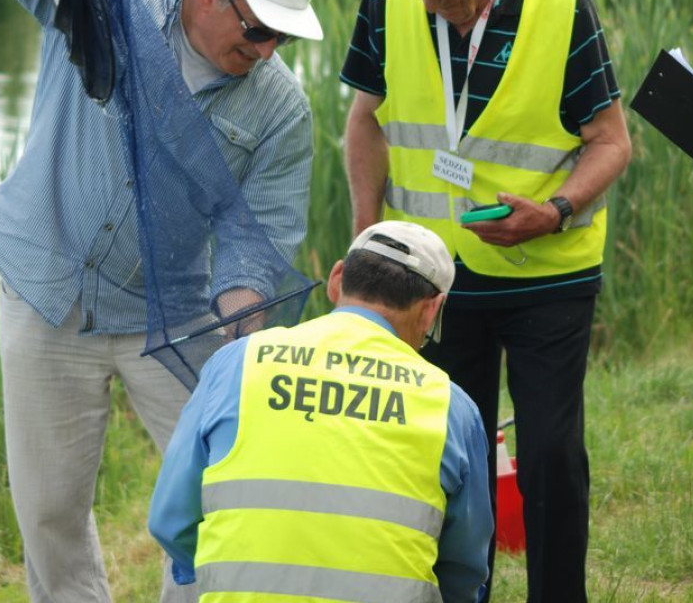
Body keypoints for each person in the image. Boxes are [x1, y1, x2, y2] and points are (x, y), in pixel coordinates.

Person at [0, 0, 323, 602]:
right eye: (256, 30)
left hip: (177, 317)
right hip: (45, 291)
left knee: (215, 494)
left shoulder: (283, 112)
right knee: (49, 508)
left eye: (282, 38)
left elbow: (257, 244)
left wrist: (241, 320)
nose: (265, 51)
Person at [340, 0, 632, 603]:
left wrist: (556, 210)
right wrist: (367, 241)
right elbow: (364, 123)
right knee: (442, 454)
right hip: (430, 282)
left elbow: (612, 143)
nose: (432, 0)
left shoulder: (564, 5)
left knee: (550, 458)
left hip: (548, 274)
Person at [148, 220, 493, 603]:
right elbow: (464, 566)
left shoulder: (237, 362)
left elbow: (171, 519)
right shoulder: (450, 404)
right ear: (432, 310)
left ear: (337, 278)